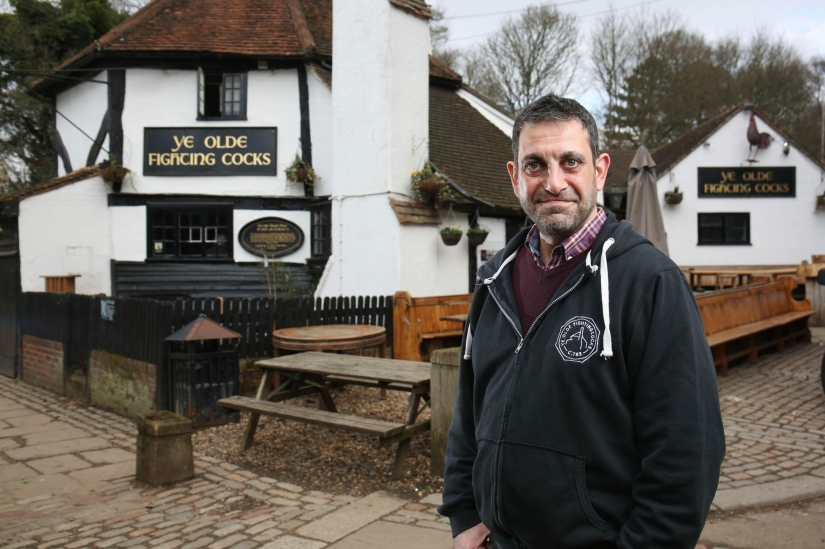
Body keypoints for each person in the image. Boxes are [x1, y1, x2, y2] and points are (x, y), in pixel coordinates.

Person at [438, 94, 725, 549]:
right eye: (535, 165)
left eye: (570, 161)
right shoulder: (492, 282)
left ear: (600, 170)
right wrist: (464, 514)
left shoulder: (649, 282)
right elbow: (468, 418)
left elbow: (686, 455)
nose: (554, 182)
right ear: (515, 177)